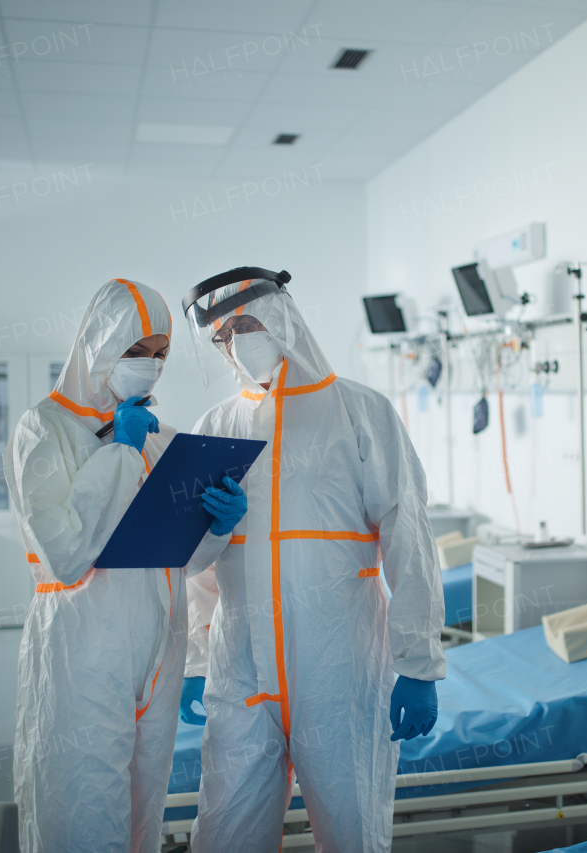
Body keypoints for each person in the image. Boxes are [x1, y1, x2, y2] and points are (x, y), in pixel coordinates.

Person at [178, 267, 446, 853]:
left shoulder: (359, 413)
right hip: (241, 672)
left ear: (281, 321)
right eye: (223, 336)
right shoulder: (215, 428)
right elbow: (195, 567)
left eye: (245, 324)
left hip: (339, 671)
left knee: (352, 836)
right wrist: (196, 660)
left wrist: (419, 664)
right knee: (224, 835)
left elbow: (409, 536)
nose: (235, 342)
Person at [3, 278, 246, 853]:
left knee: (143, 812)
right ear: (100, 344)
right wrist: (116, 452)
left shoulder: (156, 438)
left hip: (157, 648)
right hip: (85, 649)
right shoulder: (45, 429)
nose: (151, 366)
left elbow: (180, 561)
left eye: (161, 354)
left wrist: (217, 526)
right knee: (82, 809)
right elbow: (65, 556)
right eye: (138, 351)